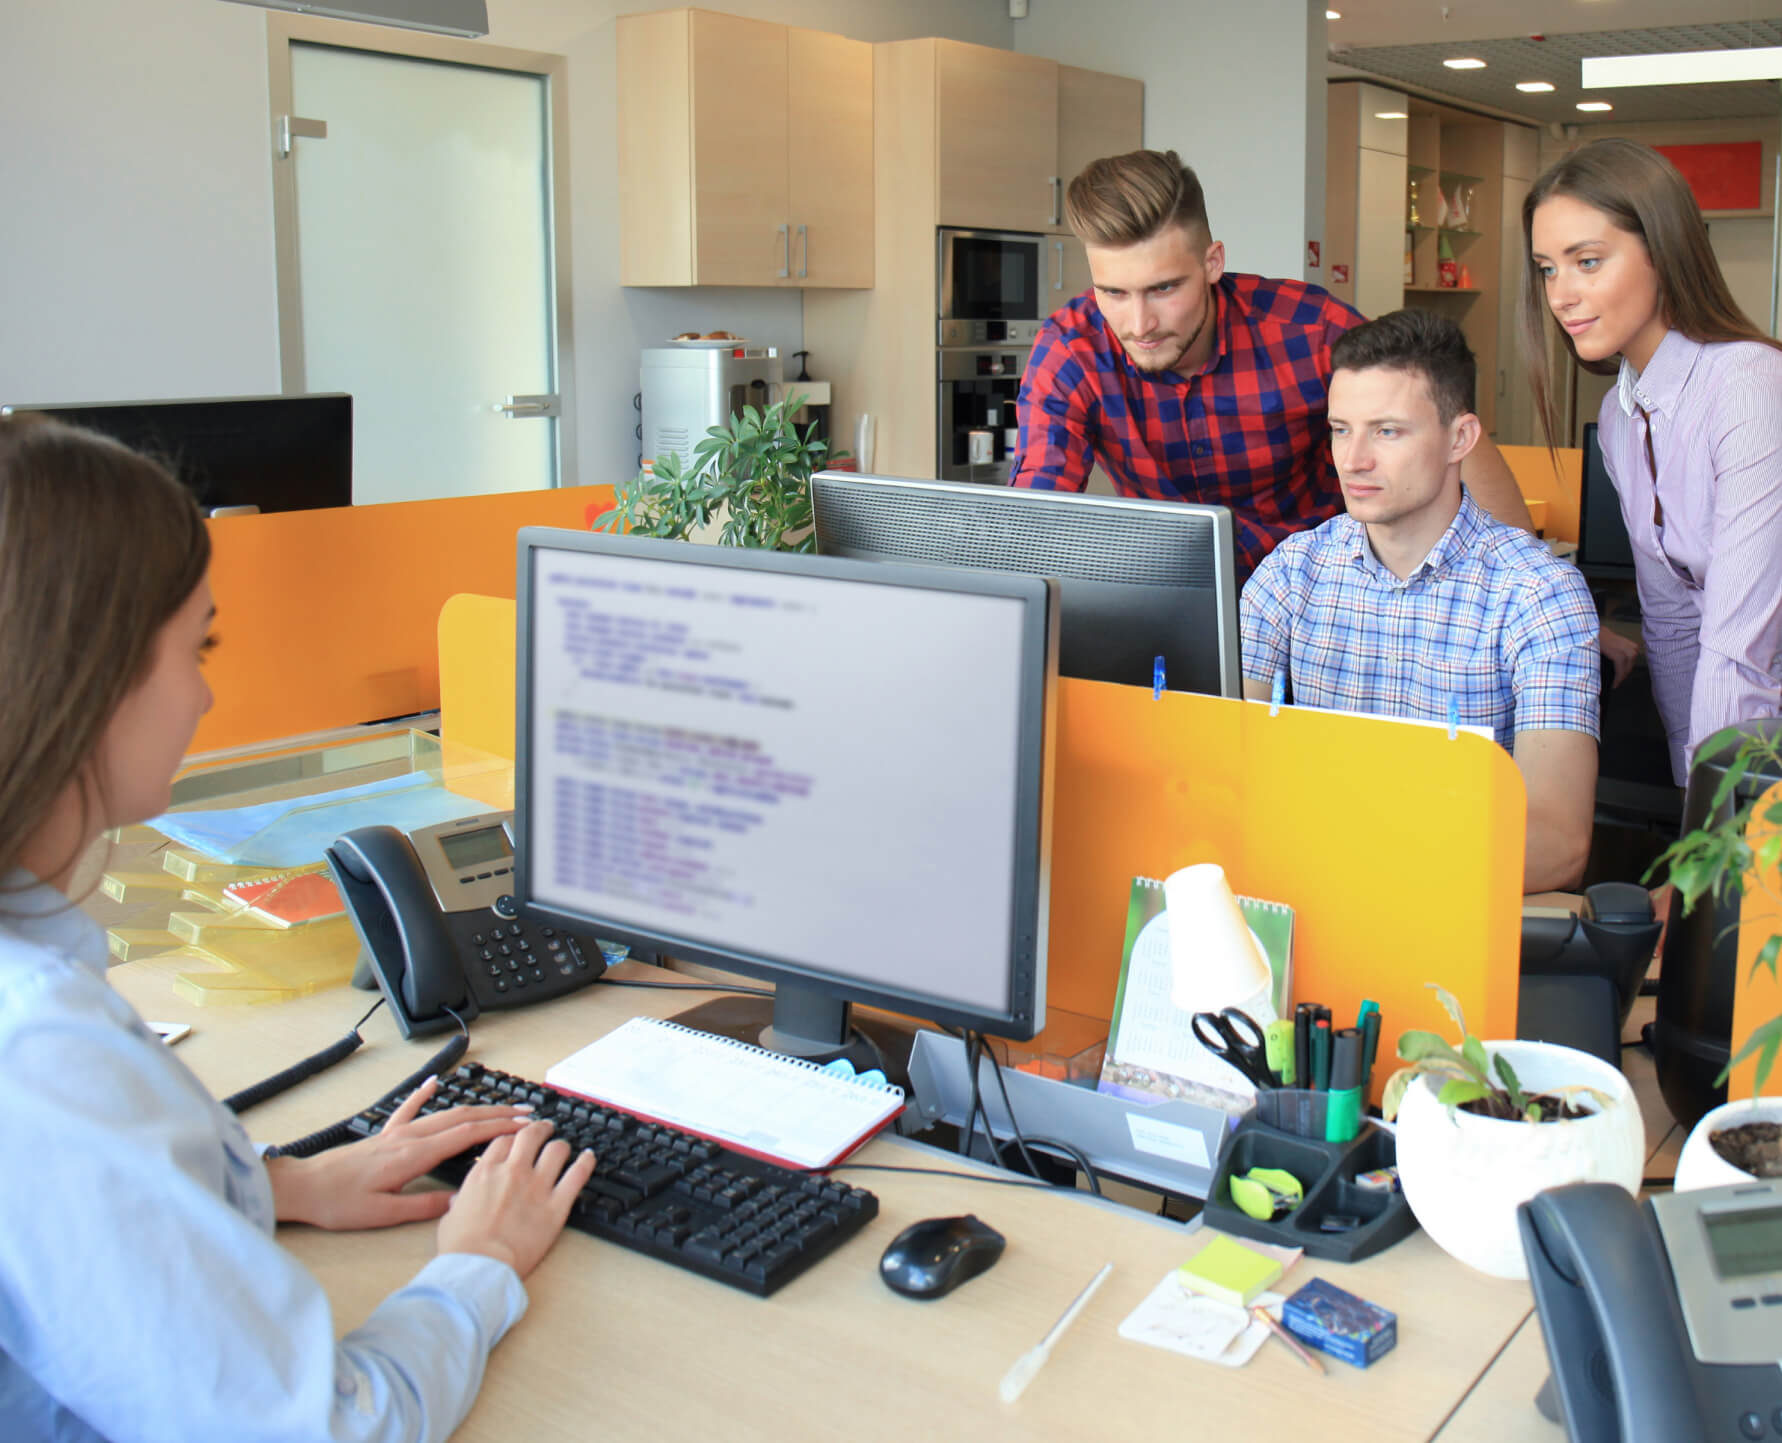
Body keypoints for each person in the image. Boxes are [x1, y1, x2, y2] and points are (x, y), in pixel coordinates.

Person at [0, 413, 598, 1442]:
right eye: (196, 647)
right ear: (86, 679)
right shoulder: (44, 1056)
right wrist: (479, 1263)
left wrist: (280, 1184)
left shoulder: (37, 978)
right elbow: (324, 1428)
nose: (206, 692)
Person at [1010, 148, 1535, 581]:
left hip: (1330, 591)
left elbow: (1451, 439)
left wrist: (1530, 590)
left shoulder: (1308, 331)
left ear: (1212, 262)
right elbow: (1036, 511)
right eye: (1114, 292)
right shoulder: (1072, 349)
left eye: (1164, 288)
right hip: (1181, 594)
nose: (1139, 322)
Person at [1240, 310, 1600, 894]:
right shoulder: (1291, 572)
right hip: (1302, 900)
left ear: (1460, 438)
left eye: (1387, 431)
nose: (1353, 459)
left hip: (1444, 916)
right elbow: (1223, 768)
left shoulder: (1537, 594)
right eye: (1340, 429)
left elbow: (1557, 845)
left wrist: (1363, 868)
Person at [1524, 137, 1782, 788]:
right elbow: (1671, 623)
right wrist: (1689, 801)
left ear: (1663, 252)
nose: (1562, 294)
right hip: (1741, 758)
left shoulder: (1750, 386)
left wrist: (1716, 851)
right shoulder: (1620, 415)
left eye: (1587, 261)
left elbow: (1739, 651)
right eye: (1548, 268)